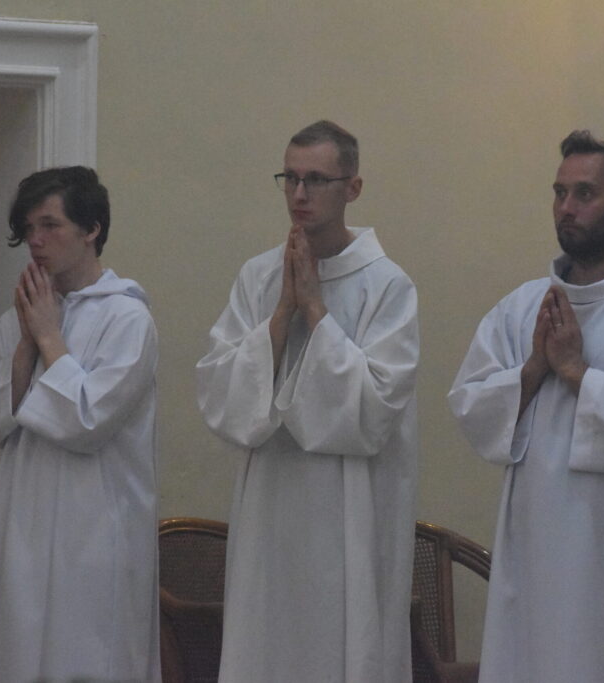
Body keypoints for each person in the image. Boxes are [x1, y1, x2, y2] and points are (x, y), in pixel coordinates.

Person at [448, 130, 604, 683]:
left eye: (585, 194)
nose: (567, 207)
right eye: (560, 192)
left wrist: (575, 371)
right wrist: (534, 369)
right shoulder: (522, 308)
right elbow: (470, 406)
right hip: (536, 555)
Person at [195, 120, 419, 682]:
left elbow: (373, 412)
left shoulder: (388, 286)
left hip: (349, 513)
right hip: (269, 508)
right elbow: (220, 394)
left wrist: (317, 310)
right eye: (290, 178)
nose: (299, 194)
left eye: (316, 180)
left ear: (353, 188)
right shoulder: (258, 276)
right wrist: (281, 315)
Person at [0, 166, 160, 683]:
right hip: (23, 516)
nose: (36, 241)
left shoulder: (127, 319)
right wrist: (27, 345)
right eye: (29, 229)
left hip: (95, 525)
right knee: (15, 650)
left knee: (85, 654)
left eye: (50, 225)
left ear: (92, 228)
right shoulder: (20, 317)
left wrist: (50, 338)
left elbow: (87, 422)